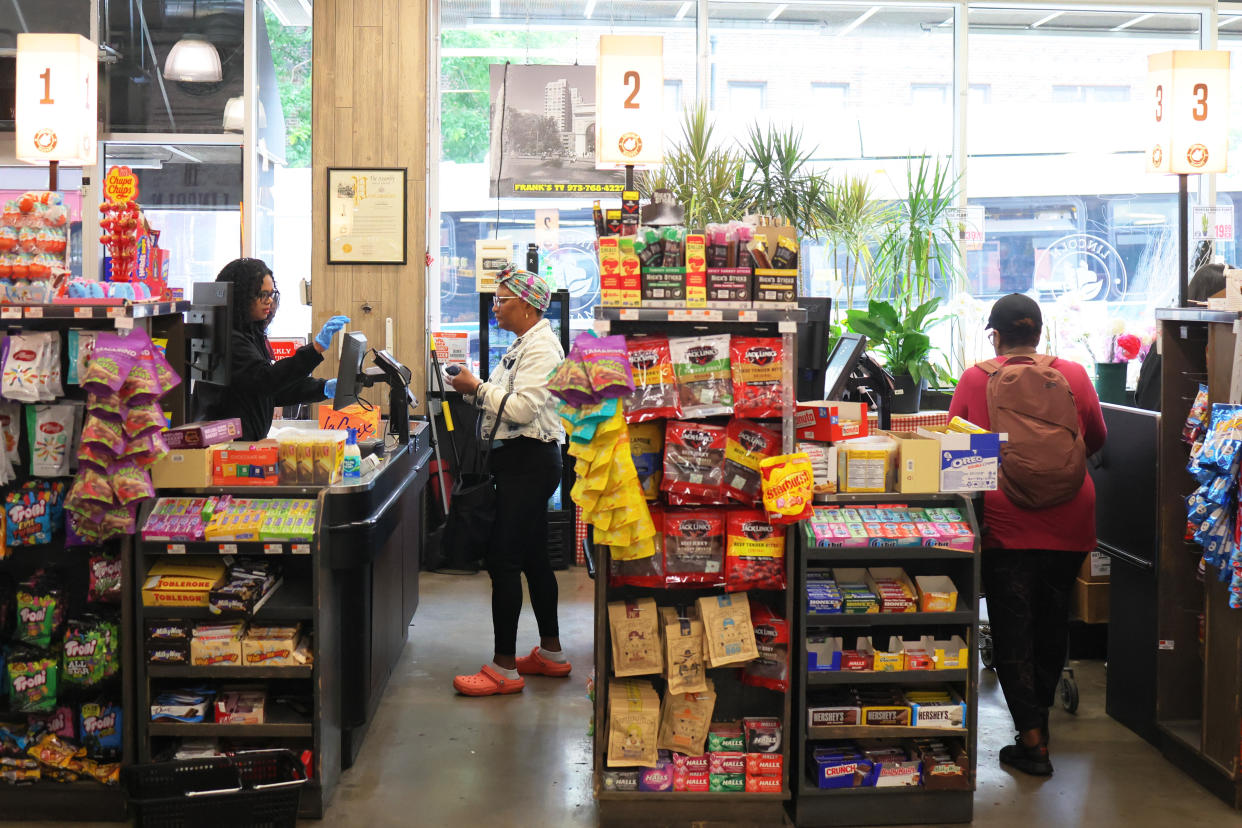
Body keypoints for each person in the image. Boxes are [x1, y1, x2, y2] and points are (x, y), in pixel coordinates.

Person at [948, 293, 1106, 777]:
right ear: (1039, 332)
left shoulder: (977, 378)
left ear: (995, 334)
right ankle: (1040, 723)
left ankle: (1033, 741)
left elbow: (959, 453)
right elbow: (1096, 437)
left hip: (1007, 518)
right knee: (1053, 620)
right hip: (1070, 513)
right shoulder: (1073, 374)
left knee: (1014, 628)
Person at [445, 267, 567, 696]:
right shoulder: (523, 345)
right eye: (495, 299)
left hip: (529, 461)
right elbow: (503, 397)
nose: (495, 306)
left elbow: (520, 410)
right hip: (519, 460)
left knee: (503, 559)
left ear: (529, 307)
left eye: (502, 300)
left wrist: (477, 389)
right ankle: (551, 653)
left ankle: (504, 669)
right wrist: (465, 386)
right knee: (533, 556)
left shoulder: (544, 349)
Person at [194, 258, 350, 441]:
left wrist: (322, 388)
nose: (269, 301)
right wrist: (314, 350)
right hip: (226, 445)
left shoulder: (251, 332)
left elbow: (272, 392)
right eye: (262, 295)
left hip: (245, 442)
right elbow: (266, 380)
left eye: (271, 294)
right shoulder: (229, 339)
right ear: (241, 297)